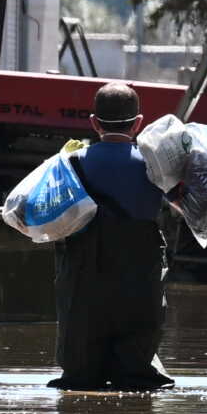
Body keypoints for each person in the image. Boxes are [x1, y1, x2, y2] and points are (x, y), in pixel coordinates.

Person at [49, 82, 175, 392]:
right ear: (139, 123)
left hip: (85, 281)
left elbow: (43, 215)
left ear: (94, 122)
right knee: (137, 381)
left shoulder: (71, 163)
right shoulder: (155, 165)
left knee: (79, 381)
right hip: (139, 280)